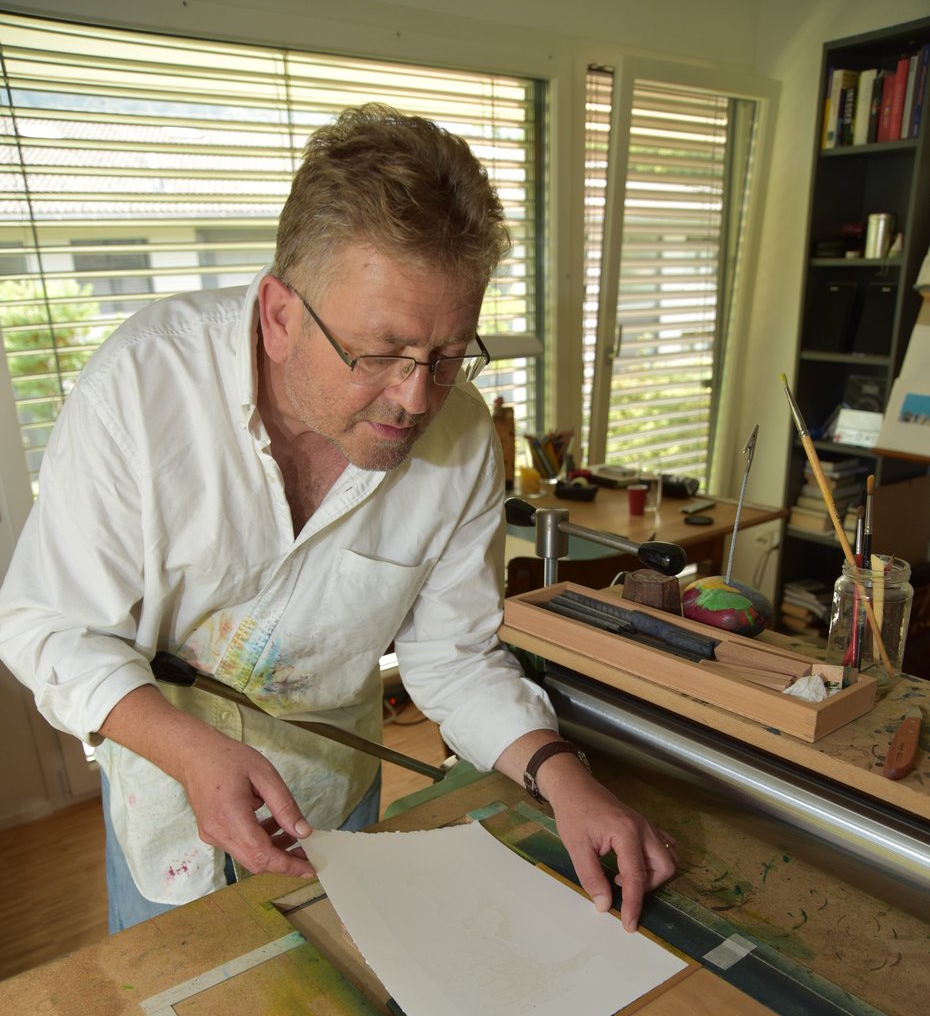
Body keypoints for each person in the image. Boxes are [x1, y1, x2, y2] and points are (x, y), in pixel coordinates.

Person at [0, 103, 677, 934]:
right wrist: (191, 753)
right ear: (281, 317)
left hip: (335, 799)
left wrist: (565, 779)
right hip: (168, 801)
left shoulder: (462, 442)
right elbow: (50, 628)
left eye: (448, 356)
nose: (416, 399)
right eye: (380, 353)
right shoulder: (139, 391)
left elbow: (453, 660)